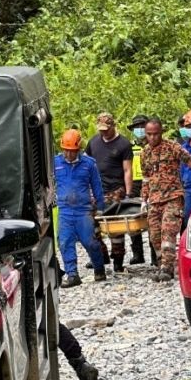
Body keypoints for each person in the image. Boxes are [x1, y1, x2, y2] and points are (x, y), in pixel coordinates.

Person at [140, 118, 191, 282]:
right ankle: (162, 265)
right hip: (154, 199)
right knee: (155, 236)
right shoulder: (144, 153)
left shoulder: (172, 147)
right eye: (149, 134)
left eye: (155, 134)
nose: (152, 138)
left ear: (161, 132)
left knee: (168, 232)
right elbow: (145, 178)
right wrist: (144, 200)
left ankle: (167, 268)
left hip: (173, 197)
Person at [54, 129, 107, 288]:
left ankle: (99, 269)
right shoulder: (55, 162)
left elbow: (97, 186)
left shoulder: (89, 164)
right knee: (65, 242)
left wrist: (100, 208)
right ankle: (72, 274)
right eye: (66, 151)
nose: (69, 154)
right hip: (65, 211)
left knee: (90, 242)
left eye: (72, 151)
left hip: (83, 211)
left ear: (78, 149)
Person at [85, 112, 134, 273]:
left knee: (114, 227)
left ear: (113, 126)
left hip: (115, 189)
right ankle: (101, 255)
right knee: (90, 225)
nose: (103, 133)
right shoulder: (93, 142)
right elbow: (86, 163)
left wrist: (128, 193)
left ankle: (118, 260)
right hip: (96, 189)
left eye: (106, 129)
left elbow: (127, 170)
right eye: (101, 130)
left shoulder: (123, 144)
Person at [126, 114, 157, 266]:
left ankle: (154, 255)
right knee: (133, 219)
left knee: (152, 220)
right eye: (136, 128)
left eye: (141, 127)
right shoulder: (129, 146)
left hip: (151, 183)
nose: (139, 130)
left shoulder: (153, 145)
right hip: (134, 184)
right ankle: (137, 253)